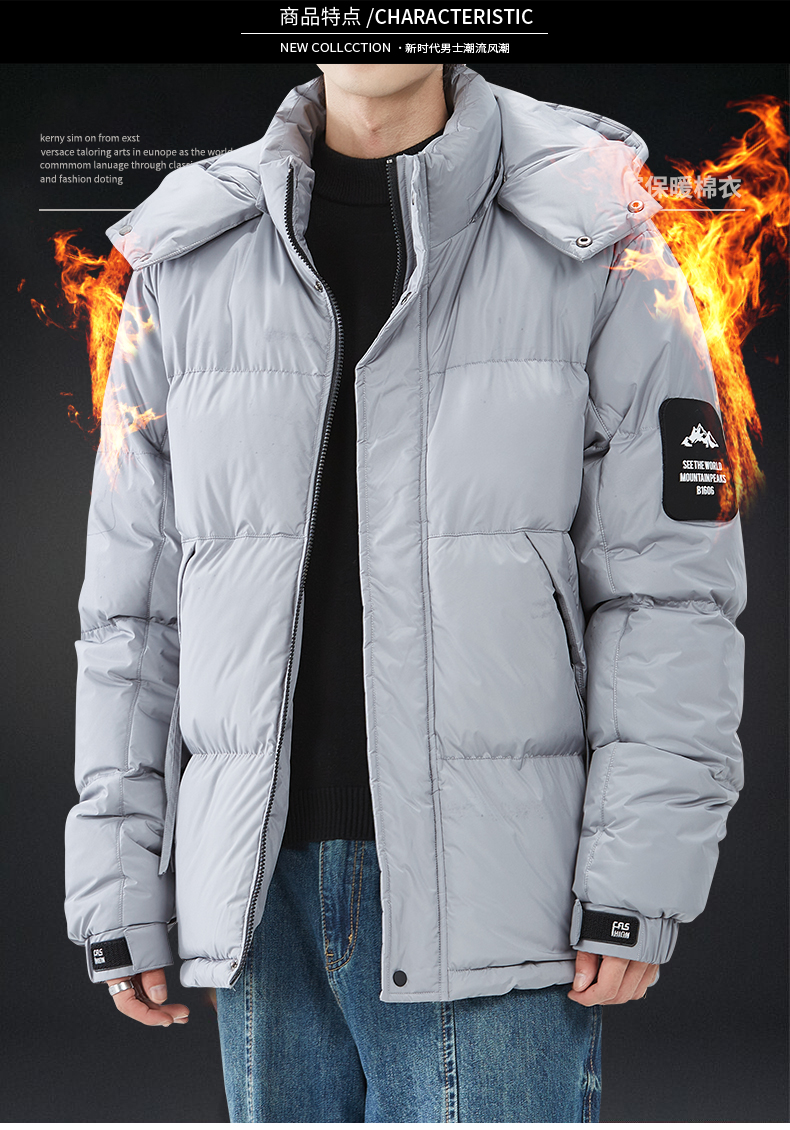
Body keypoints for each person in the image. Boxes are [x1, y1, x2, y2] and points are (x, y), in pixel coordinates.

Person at [64, 63, 746, 1122]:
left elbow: (671, 589)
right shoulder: (186, 254)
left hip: (497, 897)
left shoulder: (596, 235)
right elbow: (131, 614)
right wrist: (117, 878)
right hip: (255, 901)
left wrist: (638, 876)